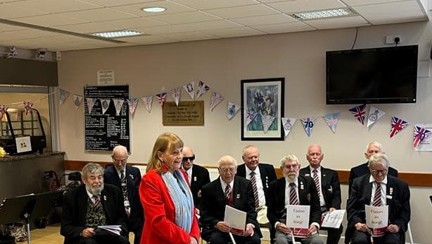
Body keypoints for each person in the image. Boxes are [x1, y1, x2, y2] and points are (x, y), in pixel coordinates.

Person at [139, 132, 200, 244]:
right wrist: (187, 240)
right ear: (160, 155)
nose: (180, 156)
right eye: (174, 153)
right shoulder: (150, 180)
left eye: (181, 151)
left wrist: (195, 236)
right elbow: (158, 221)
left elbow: (191, 210)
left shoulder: (182, 175)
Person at [346, 153, 410, 244]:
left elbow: (405, 211)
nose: (379, 174)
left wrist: (397, 225)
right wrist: (357, 223)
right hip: (365, 226)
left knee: (392, 242)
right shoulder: (358, 183)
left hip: (389, 227)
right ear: (369, 168)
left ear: (388, 168)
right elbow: (351, 207)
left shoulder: (400, 186)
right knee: (359, 241)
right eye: (375, 171)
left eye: (383, 171)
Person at [60, 163, 129, 244]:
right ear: (84, 180)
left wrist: (120, 230)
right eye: (92, 178)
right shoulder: (71, 197)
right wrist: (82, 231)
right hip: (84, 238)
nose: (97, 181)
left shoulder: (114, 192)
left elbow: (122, 218)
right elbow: (65, 228)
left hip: (107, 235)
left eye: (100, 177)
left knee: (123, 242)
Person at [200, 155, 262, 244]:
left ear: (236, 170)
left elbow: (251, 210)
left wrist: (250, 224)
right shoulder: (208, 188)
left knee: (254, 240)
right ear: (219, 171)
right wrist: (217, 224)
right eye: (224, 169)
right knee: (216, 241)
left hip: (242, 227)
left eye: (231, 169)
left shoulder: (246, 184)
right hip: (219, 229)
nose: (228, 173)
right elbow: (205, 214)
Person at [267, 154, 324, 244]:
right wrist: (277, 224)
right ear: (282, 169)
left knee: (318, 241)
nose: (292, 170)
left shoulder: (309, 182)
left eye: (294, 166)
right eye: (288, 167)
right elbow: (270, 212)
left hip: (306, 224)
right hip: (284, 224)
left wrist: (315, 224)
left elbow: (316, 208)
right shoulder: (275, 185)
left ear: (299, 167)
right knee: (280, 242)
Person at [299, 144, 342, 244]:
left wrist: (334, 207)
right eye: (312, 154)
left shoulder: (331, 174)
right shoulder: (300, 173)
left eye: (317, 154)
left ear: (322, 157)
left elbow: (336, 195)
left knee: (338, 227)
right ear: (307, 157)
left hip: (326, 210)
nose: (314, 157)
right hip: (308, 211)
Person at [104, 145, 143, 244]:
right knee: (122, 239)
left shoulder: (135, 172)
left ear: (127, 158)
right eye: (117, 160)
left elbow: (139, 193)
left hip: (134, 213)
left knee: (142, 233)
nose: (120, 164)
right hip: (119, 215)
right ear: (112, 158)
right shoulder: (106, 174)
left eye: (123, 160)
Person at [236, 145, 277, 225]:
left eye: (256, 157)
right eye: (250, 157)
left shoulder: (268, 169)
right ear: (243, 158)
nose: (253, 160)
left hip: (265, 209)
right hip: (246, 211)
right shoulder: (237, 171)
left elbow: (275, 191)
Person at [181, 146, 211, 210]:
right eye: (185, 159)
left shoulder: (203, 172)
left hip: (198, 209)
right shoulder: (176, 172)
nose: (188, 161)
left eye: (191, 158)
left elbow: (208, 195)